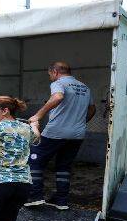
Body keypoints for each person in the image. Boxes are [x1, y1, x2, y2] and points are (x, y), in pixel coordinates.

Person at [25, 61, 96, 210]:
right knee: (64, 165)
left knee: (34, 160)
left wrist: (38, 115)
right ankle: (61, 200)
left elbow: (57, 97)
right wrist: (78, 123)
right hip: (77, 134)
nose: (50, 77)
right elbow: (92, 110)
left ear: (55, 72)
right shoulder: (85, 87)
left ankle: (35, 196)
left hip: (56, 132)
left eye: (50, 74)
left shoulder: (59, 83)